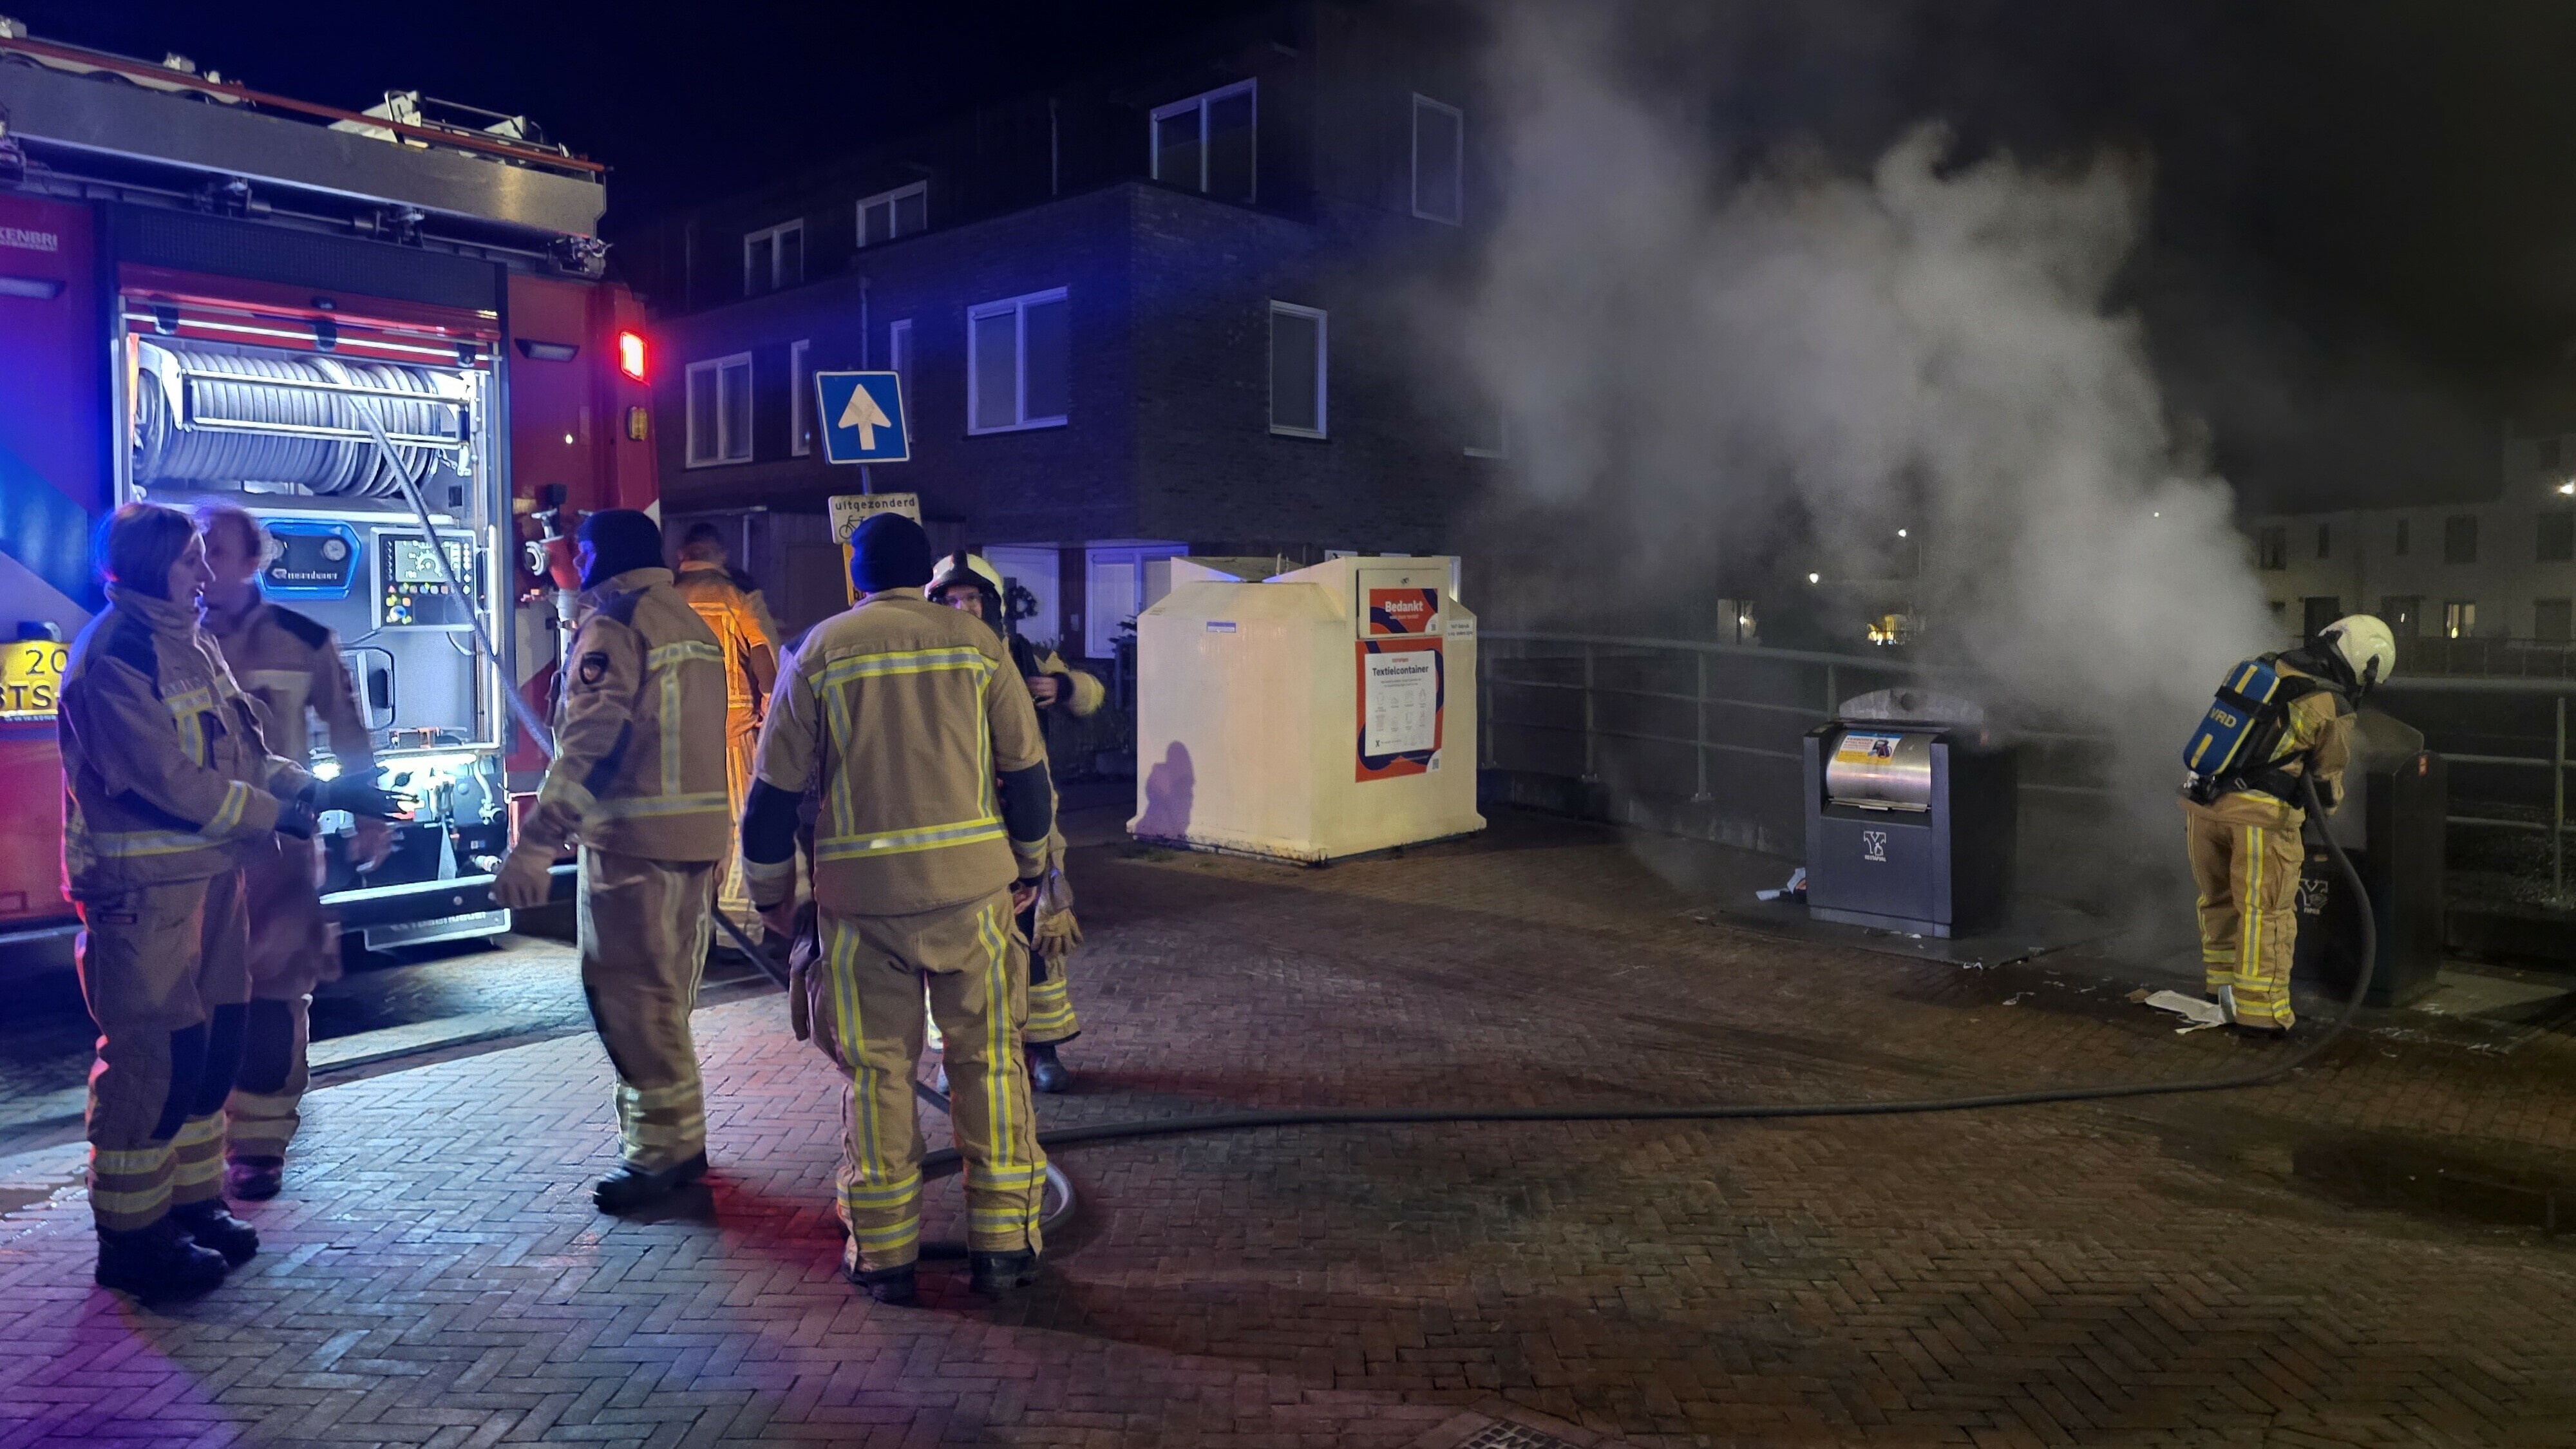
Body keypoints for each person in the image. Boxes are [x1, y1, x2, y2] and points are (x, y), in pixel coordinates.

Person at [59, 504, 399, 1298]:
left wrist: (320, 787)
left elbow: (243, 753)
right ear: (149, 568)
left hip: (210, 879)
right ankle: (134, 1242)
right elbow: (171, 780)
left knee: (207, 1054)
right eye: (188, 564)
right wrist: (272, 811)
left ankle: (193, 1206)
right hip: (141, 894)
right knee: (151, 1063)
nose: (204, 577)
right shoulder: (118, 654)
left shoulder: (187, 640)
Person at [740, 513, 1055, 1307]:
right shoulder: (979, 647)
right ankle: (1007, 1247)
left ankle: (884, 1256)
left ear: (856, 573)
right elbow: (1028, 776)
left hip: (860, 906)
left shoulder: (816, 652)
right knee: (988, 1063)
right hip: (973, 894)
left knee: (878, 1073)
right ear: (927, 574)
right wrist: (1029, 867)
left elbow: (770, 800)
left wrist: (774, 897)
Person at [492, 510, 733, 1213]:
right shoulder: (684, 621)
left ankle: (659, 1158)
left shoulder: (616, 627)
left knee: (629, 1001)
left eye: (580, 550)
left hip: (632, 845)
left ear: (599, 552)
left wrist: (537, 842)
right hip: (693, 843)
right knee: (664, 1001)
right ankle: (678, 1147)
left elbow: (590, 744)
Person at [193, 505, 395, 1202]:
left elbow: (347, 729)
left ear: (253, 560)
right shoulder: (174, 641)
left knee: (275, 999)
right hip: (197, 855)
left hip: (277, 854)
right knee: (199, 1003)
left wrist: (368, 815)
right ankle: (202, 1144)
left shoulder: (302, 640)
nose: (203, 563)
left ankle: (258, 1145)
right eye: (196, 550)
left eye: (216, 550)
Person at [925, 551, 1104, 1092]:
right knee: (959, 950)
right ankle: (958, 1057)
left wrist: (1064, 687)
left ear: (993, 605)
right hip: (958, 830)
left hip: (1028, 829)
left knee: (1035, 942)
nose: (963, 608)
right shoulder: (926, 659)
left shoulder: (1023, 655)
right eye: (952, 600)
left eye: (973, 599)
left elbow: (1091, 697)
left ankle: (1041, 1049)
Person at [2183, 614, 2392, 1038]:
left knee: (2218, 900)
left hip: (2202, 803)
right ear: (2366, 666)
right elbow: (2327, 778)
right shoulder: (2333, 704)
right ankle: (2262, 1014)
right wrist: (2325, 814)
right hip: (2259, 819)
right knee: (2266, 914)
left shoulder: (2257, 665)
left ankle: (2220, 992)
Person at [670, 524, 778, 942]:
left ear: (684, 552)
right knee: (741, 827)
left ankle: (691, 931)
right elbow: (764, 655)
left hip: (679, 738)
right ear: (719, 552)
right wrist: (771, 709)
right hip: (733, 736)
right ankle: (737, 934)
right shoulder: (736, 595)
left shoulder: (664, 597)